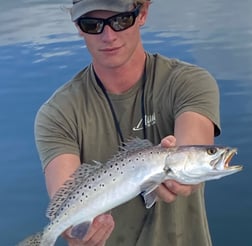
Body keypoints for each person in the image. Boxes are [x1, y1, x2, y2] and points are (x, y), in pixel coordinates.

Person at [35, 0, 221, 245]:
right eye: (92, 24)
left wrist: (181, 174)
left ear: (142, 13)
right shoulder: (56, 114)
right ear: (78, 27)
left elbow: (193, 145)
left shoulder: (188, 82)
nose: (108, 36)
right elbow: (64, 192)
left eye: (121, 20)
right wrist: (75, 233)